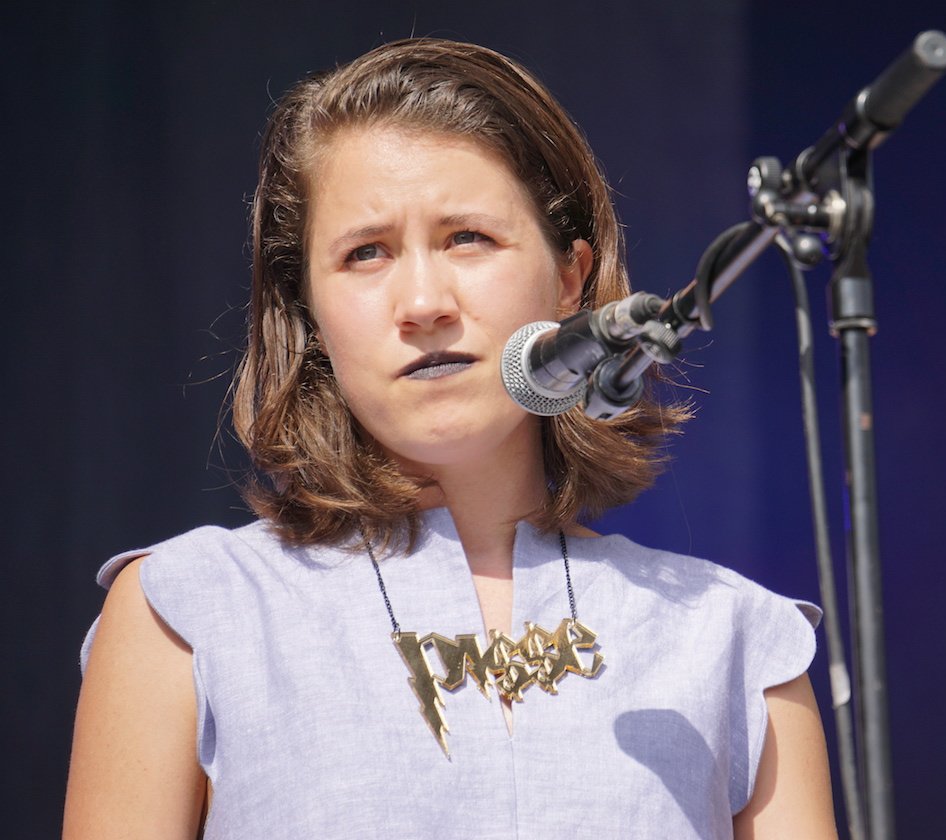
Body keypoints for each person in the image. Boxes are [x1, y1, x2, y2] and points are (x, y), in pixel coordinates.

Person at [64, 38, 837, 839]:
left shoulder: (733, 637)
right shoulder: (189, 612)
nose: (424, 301)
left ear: (570, 278)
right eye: (366, 253)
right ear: (311, 316)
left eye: (468, 237)